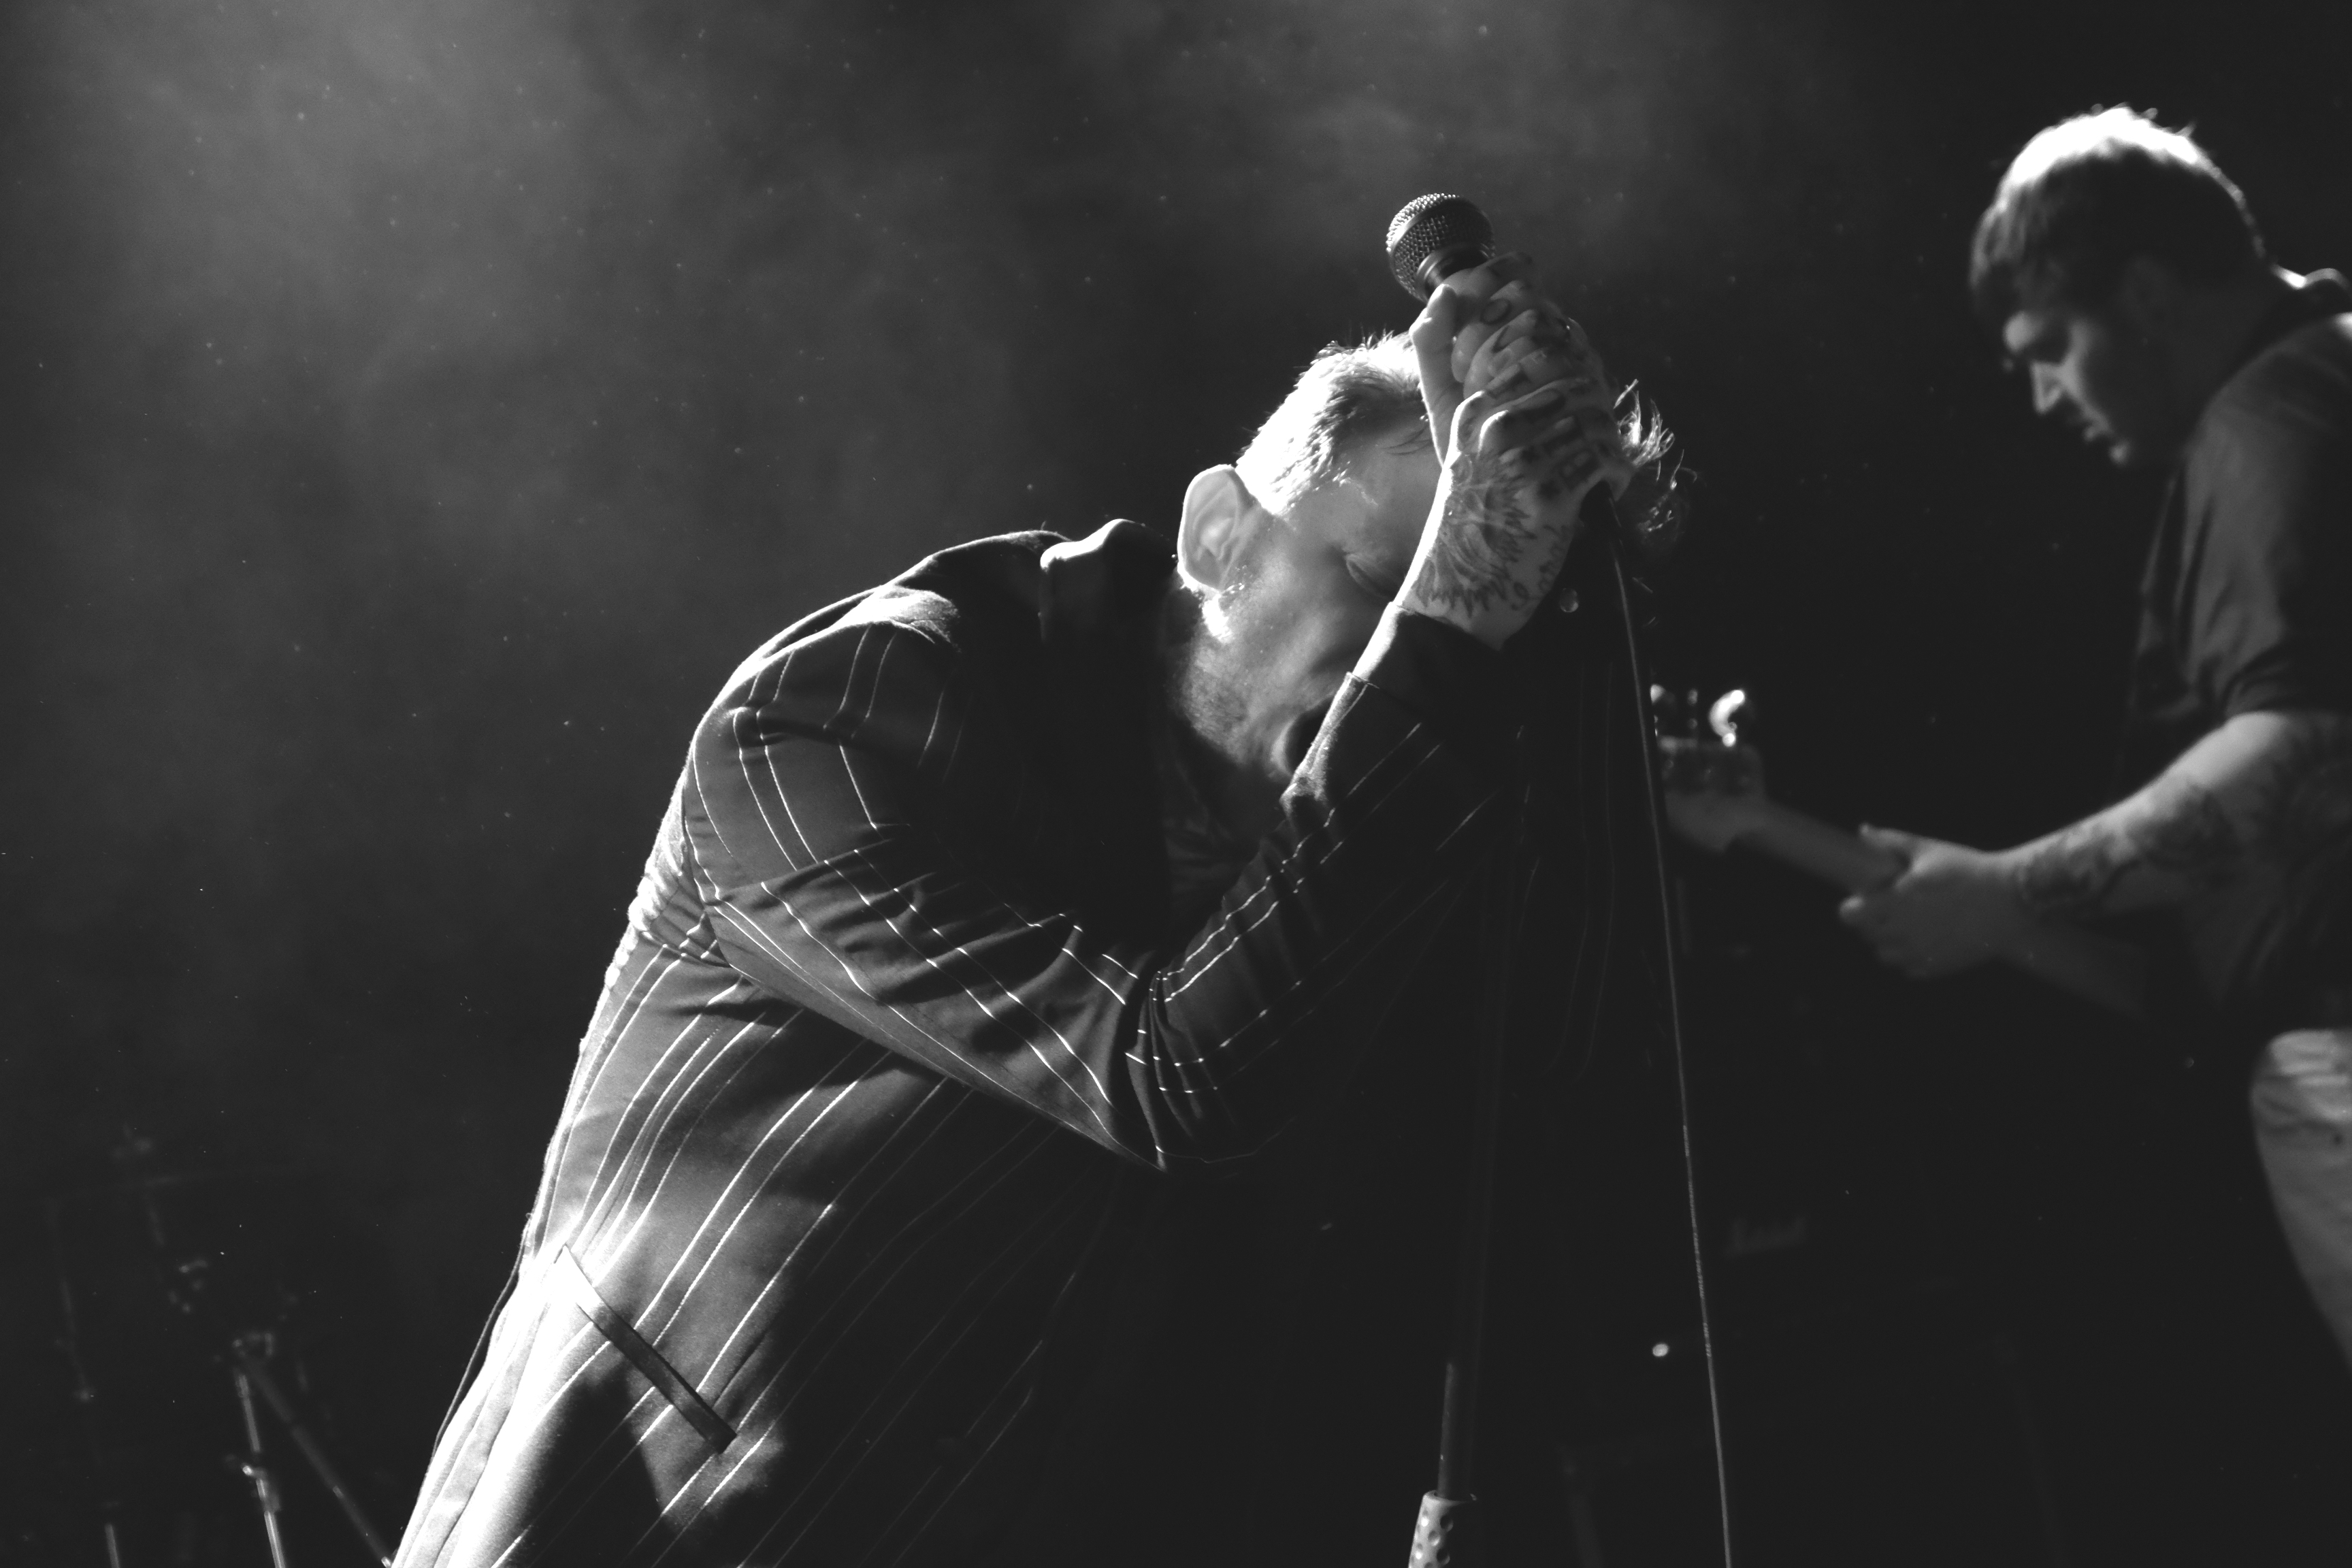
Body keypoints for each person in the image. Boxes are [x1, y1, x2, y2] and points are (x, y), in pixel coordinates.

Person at [391, 252, 1666, 1567]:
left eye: (1457, 612)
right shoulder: (865, 704)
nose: (1398, 657)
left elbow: (1552, 1101)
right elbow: (1176, 1082)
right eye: (1382, 580)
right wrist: (1457, 605)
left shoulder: (1355, 855)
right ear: (1221, 537)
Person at [1838, 104, 2352, 1523]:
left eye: (2051, 347)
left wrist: (2008, 891)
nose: (2044, 397)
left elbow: (2301, 752)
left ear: (2147, 290)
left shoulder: (2267, 417)